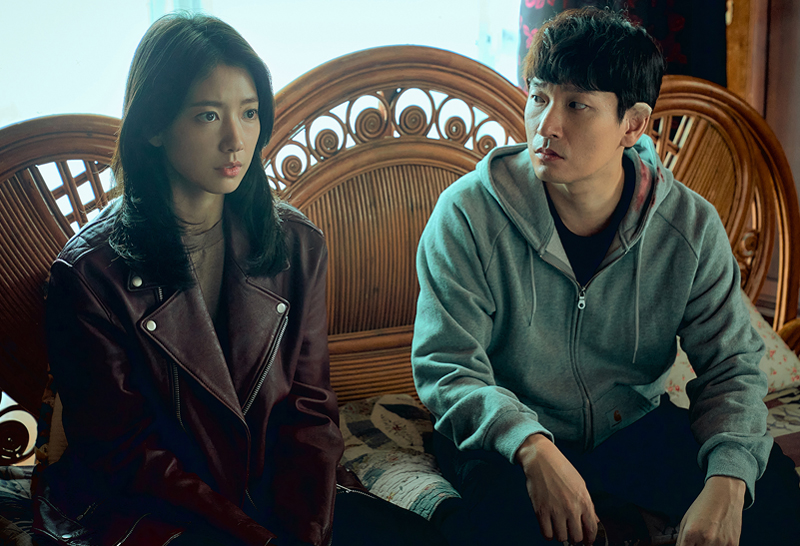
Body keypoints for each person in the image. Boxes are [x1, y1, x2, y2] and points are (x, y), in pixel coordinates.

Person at [33, 13, 445, 546]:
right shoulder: (90, 275)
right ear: (154, 126)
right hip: (158, 515)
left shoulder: (296, 243)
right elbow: (125, 455)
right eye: (208, 115)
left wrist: (305, 532)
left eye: (249, 113)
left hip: (280, 497)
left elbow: (310, 411)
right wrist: (257, 538)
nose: (235, 140)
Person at [412, 7, 800, 546]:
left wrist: (728, 482)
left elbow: (731, 366)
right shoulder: (468, 214)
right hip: (507, 437)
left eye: (576, 105)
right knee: (494, 527)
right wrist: (531, 446)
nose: (546, 125)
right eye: (539, 97)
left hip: (631, 428)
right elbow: (448, 366)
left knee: (773, 497)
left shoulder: (687, 226)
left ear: (632, 125)